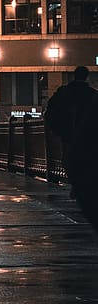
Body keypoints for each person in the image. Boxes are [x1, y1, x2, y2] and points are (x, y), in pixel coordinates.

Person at [45, 67, 98, 223]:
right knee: (88, 160)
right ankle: (81, 184)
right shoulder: (92, 95)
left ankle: (75, 182)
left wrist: (58, 129)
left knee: (69, 158)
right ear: (86, 77)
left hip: (68, 134)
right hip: (88, 136)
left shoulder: (64, 93)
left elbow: (51, 112)